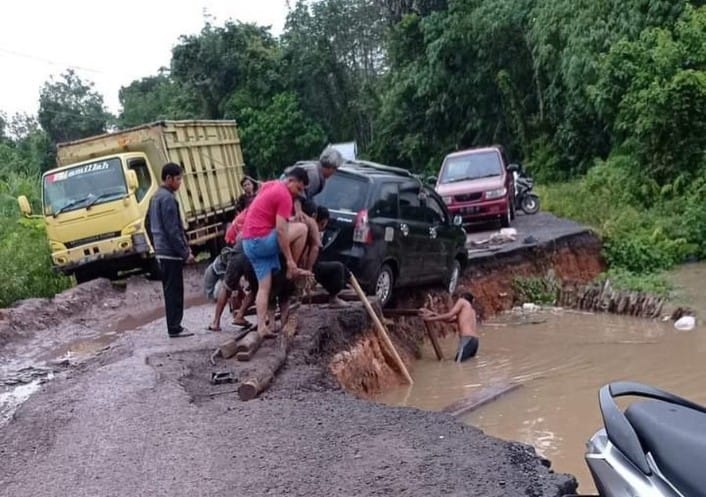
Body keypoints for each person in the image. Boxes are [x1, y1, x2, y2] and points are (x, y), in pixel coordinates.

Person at [241, 167, 311, 339]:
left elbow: (270, 212)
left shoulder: (272, 185)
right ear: (291, 181)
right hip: (261, 241)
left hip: (249, 243)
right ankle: (291, 269)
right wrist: (289, 260)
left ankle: (261, 327)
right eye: (299, 189)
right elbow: (280, 230)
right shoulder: (284, 195)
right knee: (302, 228)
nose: (298, 194)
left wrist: (288, 221)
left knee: (264, 287)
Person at [148, 162, 195, 338]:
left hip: (161, 250)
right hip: (170, 253)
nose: (180, 182)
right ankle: (175, 327)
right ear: (168, 178)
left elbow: (147, 223)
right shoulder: (167, 198)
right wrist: (185, 253)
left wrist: (155, 244)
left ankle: (174, 326)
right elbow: (173, 229)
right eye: (178, 178)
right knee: (174, 291)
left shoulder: (155, 197)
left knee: (170, 290)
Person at [285, 147, 344, 270]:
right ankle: (306, 270)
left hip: (298, 207)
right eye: (334, 169)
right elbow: (298, 195)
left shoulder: (318, 175)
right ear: (329, 167)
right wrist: (299, 212)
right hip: (290, 207)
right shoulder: (314, 175)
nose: (334, 173)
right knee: (314, 238)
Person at [420, 289, 479, 362]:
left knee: (458, 366)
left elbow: (449, 315)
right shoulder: (471, 311)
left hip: (466, 340)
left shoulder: (462, 301)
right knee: (469, 366)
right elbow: (450, 320)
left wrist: (430, 319)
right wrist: (432, 314)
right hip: (475, 342)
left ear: (461, 297)